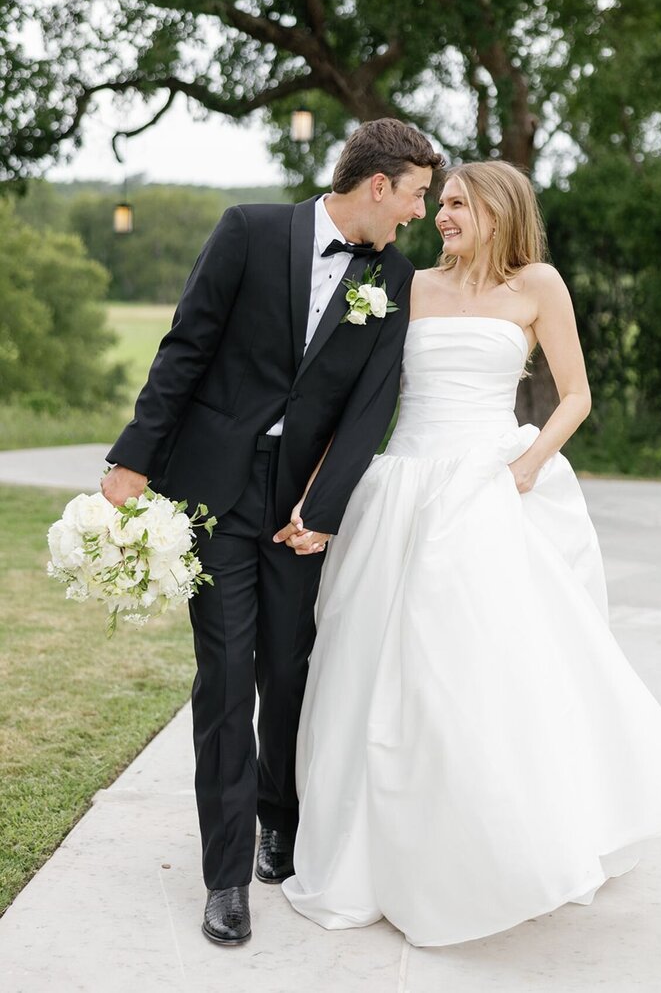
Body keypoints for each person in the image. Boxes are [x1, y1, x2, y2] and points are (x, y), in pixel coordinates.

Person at [282, 161, 661, 947]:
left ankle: (498, 842)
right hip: (403, 491)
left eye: (456, 204)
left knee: (472, 671)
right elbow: (362, 401)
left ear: (497, 211)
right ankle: (378, 848)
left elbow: (577, 394)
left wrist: (529, 463)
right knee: (372, 670)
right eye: (440, 201)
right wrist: (320, 492)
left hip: (487, 488)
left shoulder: (538, 286)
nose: (441, 215)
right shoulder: (408, 285)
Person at [101, 118, 445, 946]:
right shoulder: (249, 231)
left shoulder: (393, 277)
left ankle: (275, 819)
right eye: (416, 196)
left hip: (298, 513)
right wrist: (132, 461)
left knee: (288, 669)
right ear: (378, 185)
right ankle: (224, 879)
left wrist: (322, 510)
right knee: (224, 676)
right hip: (213, 495)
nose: (418, 215)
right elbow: (184, 349)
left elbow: (370, 407)